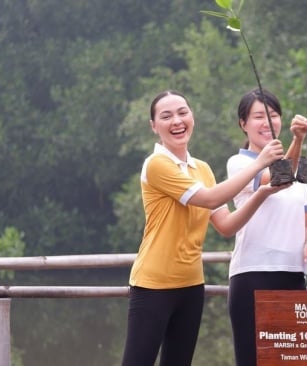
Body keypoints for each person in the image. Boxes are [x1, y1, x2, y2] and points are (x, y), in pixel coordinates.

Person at [121, 90, 289, 366]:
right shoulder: (156, 165)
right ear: (154, 126)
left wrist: (262, 193)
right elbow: (210, 198)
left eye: (182, 112)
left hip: (191, 285)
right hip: (153, 285)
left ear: (192, 117)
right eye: (166, 116)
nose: (177, 121)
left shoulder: (202, 169)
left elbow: (226, 225)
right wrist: (260, 163)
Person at [226, 88, 307, 366]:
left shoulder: (300, 169)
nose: (267, 122)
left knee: (292, 360)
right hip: (253, 274)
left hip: (293, 275)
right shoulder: (241, 164)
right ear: (243, 124)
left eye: (274, 115)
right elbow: (280, 177)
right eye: (258, 116)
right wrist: (298, 139)